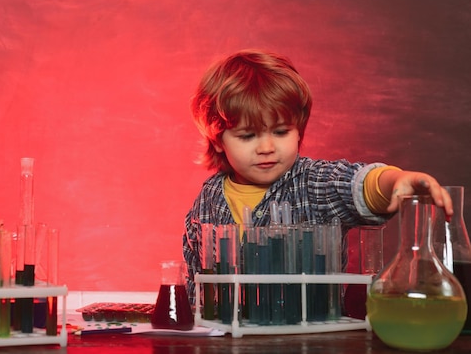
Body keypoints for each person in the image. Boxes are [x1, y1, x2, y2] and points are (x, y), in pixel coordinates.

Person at [182, 49, 453, 304]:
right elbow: (195, 284)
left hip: (310, 337)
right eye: (248, 136)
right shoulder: (207, 201)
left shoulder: (313, 182)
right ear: (218, 140)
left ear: (298, 130)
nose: (266, 148)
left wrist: (395, 181)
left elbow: (357, 184)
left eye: (280, 132)